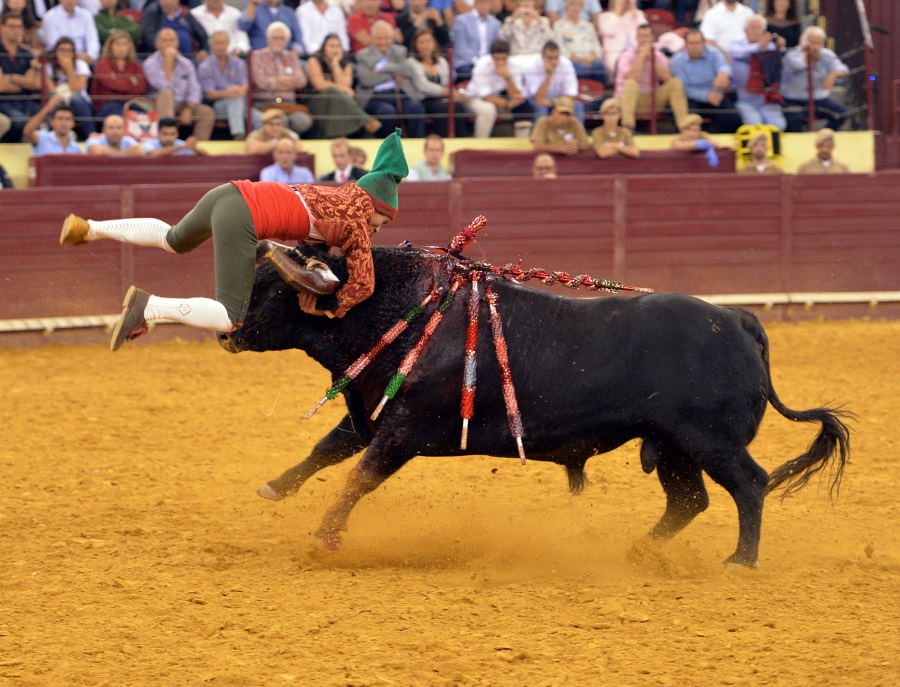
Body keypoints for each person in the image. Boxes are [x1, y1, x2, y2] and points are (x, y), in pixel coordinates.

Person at [59, 130, 409, 350]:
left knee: (172, 238)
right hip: (244, 218)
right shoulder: (356, 222)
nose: (377, 229)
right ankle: (149, 307)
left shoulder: (333, 197)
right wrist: (328, 307)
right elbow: (363, 283)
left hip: (228, 193)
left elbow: (308, 246)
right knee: (229, 317)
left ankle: (88, 228)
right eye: (382, 220)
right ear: (376, 207)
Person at [355, 20, 426, 139]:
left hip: (399, 93)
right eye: (379, 38)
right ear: (372, 38)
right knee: (387, 112)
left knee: (415, 107)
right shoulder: (363, 55)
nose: (383, 42)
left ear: (391, 38)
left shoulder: (400, 51)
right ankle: (387, 148)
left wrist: (382, 67)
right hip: (375, 97)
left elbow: (407, 70)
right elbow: (366, 79)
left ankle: (417, 143)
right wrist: (393, 74)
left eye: (386, 38)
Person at [143, 28, 216, 141]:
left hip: (182, 103)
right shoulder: (150, 63)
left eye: (171, 40)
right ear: (157, 44)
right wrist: (167, 62)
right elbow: (162, 86)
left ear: (177, 43)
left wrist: (189, 107)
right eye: (164, 40)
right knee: (166, 94)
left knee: (206, 112)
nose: (168, 44)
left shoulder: (186, 63)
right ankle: (166, 141)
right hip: (157, 103)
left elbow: (195, 88)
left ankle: (197, 148)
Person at [306, 33, 380, 139]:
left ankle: (341, 136)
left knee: (337, 96)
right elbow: (319, 85)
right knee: (333, 92)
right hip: (317, 100)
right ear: (324, 47)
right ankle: (365, 120)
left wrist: (335, 63)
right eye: (331, 46)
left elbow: (345, 85)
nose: (335, 49)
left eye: (338, 46)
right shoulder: (314, 60)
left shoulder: (345, 64)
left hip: (338, 101)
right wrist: (342, 88)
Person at [616, 23, 688, 131]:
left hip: (652, 99)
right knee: (631, 84)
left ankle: (684, 126)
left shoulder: (659, 55)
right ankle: (628, 127)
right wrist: (641, 57)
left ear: (652, 38)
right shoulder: (627, 56)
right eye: (641, 36)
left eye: (646, 36)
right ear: (636, 37)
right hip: (631, 100)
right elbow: (632, 77)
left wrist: (653, 59)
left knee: (675, 83)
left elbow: (667, 78)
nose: (643, 39)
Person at [670, 28, 742, 134]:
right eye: (691, 43)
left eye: (698, 43)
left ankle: (726, 144)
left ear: (703, 43)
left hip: (716, 93)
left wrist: (724, 74)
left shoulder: (714, 53)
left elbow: (724, 66)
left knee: (732, 117)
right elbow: (683, 88)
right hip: (692, 97)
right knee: (689, 119)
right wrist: (706, 96)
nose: (695, 46)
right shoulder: (677, 60)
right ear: (685, 44)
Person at [780, 26, 849, 133]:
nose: (815, 46)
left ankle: (822, 139)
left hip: (818, 99)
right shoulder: (792, 55)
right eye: (812, 42)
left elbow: (844, 69)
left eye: (819, 43)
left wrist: (834, 74)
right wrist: (808, 56)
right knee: (794, 120)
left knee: (841, 114)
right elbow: (798, 66)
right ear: (803, 42)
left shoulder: (827, 55)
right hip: (792, 100)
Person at [249, 21, 313, 135]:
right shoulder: (257, 56)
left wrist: (274, 81)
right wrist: (288, 82)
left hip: (288, 105)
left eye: (281, 38)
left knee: (303, 120)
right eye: (275, 38)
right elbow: (262, 83)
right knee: (281, 120)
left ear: (286, 41)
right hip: (265, 103)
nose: (278, 41)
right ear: (268, 39)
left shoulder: (291, 57)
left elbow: (301, 81)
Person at [465, 39, 534, 138]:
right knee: (488, 109)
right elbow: (485, 96)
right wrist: (506, 104)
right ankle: (480, 143)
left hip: (501, 97)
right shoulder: (482, 65)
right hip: (476, 98)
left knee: (524, 106)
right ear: (492, 57)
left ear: (508, 57)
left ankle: (521, 145)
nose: (501, 63)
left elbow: (517, 94)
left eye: (504, 59)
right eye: (497, 59)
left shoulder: (514, 66)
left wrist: (508, 78)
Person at [406, 28, 469, 137]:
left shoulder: (441, 61)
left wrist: (453, 93)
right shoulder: (411, 63)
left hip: (443, 98)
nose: (425, 45)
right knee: (443, 108)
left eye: (428, 41)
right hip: (424, 99)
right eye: (421, 42)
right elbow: (422, 85)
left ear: (434, 43)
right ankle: (443, 140)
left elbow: (448, 81)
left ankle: (460, 139)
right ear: (415, 45)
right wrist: (448, 92)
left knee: (458, 106)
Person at [729, 14, 787, 130]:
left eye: (759, 28)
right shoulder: (737, 45)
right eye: (752, 27)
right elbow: (738, 53)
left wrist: (780, 46)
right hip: (744, 99)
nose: (755, 31)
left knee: (778, 126)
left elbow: (780, 55)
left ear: (764, 31)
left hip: (766, 98)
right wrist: (758, 47)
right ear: (745, 30)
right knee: (755, 125)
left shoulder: (770, 47)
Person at [198, 30, 249, 140]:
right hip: (218, 106)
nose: (220, 46)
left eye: (223, 43)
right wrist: (229, 93)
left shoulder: (239, 63)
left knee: (259, 118)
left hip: (241, 104)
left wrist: (240, 91)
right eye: (217, 43)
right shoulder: (205, 66)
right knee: (235, 101)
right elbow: (210, 94)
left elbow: (246, 85)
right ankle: (238, 135)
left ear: (228, 44)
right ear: (211, 45)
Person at [0, 12, 41, 142]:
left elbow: (36, 83)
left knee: (50, 115)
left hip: (26, 100)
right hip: (4, 101)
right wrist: (25, 80)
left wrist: (12, 77)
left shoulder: (27, 53)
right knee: (19, 121)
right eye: (11, 26)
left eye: (18, 26)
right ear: (2, 27)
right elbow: (1, 86)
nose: (15, 30)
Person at [44, 36, 96, 136]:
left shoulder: (81, 64)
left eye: (69, 51)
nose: (65, 53)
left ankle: (91, 135)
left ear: (73, 53)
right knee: (54, 98)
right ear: (56, 52)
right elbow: (51, 90)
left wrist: (69, 69)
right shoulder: (49, 66)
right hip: (59, 100)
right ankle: (51, 136)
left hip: (80, 103)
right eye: (62, 50)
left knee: (75, 98)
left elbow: (76, 89)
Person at [89, 30, 146, 119]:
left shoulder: (135, 65)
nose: (121, 48)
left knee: (143, 115)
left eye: (124, 44)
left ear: (129, 47)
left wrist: (117, 81)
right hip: (107, 106)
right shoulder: (103, 63)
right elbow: (112, 84)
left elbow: (140, 88)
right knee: (123, 115)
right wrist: (131, 82)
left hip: (130, 103)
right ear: (111, 46)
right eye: (117, 44)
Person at [521, 40, 582, 122]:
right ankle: (540, 134)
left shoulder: (566, 64)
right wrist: (549, 75)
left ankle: (577, 134)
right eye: (550, 58)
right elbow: (537, 97)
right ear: (542, 56)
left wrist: (554, 103)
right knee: (541, 108)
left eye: (556, 58)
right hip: (536, 100)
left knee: (577, 106)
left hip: (559, 100)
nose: (554, 62)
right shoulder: (532, 67)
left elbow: (572, 94)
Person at [553, 0, 606, 84]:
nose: (576, 8)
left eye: (579, 5)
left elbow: (596, 46)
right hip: (573, 59)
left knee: (599, 66)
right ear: (566, 7)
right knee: (582, 69)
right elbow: (560, 47)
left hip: (590, 59)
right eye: (573, 5)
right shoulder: (559, 25)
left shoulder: (588, 25)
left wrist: (593, 57)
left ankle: (602, 93)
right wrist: (579, 59)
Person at [451, 0, 501, 82]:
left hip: (489, 63)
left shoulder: (496, 23)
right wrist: (479, 63)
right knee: (471, 73)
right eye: (482, 2)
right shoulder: (461, 21)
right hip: (467, 63)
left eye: (487, 2)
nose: (484, 6)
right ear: (475, 3)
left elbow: (496, 47)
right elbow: (460, 49)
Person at [140, 0, 210, 59]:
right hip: (162, 57)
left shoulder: (185, 12)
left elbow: (202, 34)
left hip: (189, 57)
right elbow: (149, 36)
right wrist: (168, 50)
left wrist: (204, 50)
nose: (168, 2)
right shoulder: (152, 12)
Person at [597, 0, 646, 80]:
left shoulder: (637, 15)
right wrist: (617, 13)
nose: (624, 4)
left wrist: (633, 9)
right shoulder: (605, 17)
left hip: (636, 52)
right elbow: (609, 30)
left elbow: (645, 31)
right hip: (617, 55)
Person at [41, 0, 101, 64]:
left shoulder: (86, 15)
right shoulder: (49, 17)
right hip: (60, 59)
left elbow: (93, 40)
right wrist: (76, 56)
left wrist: (91, 56)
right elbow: (53, 44)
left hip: (86, 58)